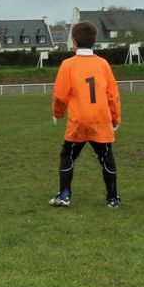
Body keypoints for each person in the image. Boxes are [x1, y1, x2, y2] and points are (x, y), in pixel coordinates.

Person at [49, 21, 122, 209]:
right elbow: (112, 95)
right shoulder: (103, 64)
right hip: (101, 119)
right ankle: (112, 199)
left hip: (79, 121)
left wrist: (57, 113)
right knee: (106, 156)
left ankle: (64, 195)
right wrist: (116, 118)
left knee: (67, 155)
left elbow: (60, 95)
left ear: (74, 42)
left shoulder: (68, 65)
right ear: (94, 41)